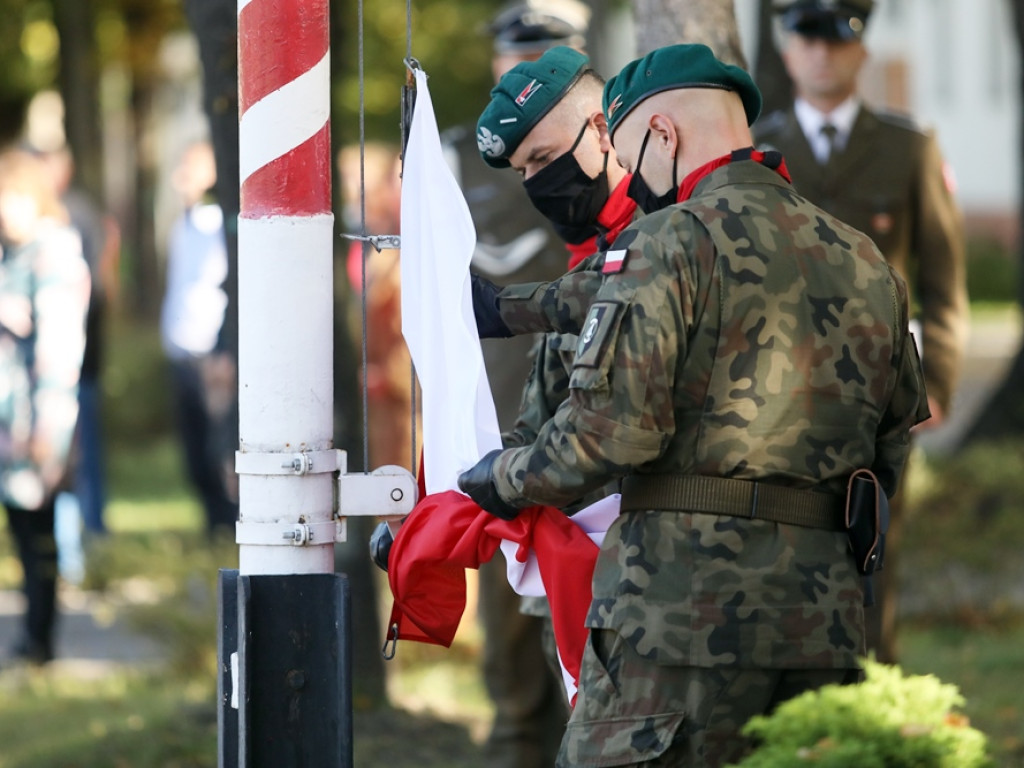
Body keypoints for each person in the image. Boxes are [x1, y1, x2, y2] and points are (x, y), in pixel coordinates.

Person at [459, 43, 929, 766]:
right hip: (824, 622)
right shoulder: (866, 259)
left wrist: (500, 477)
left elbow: (605, 438)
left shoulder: (667, 239)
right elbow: (892, 447)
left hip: (679, 625)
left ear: (663, 136)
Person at [754, 0, 968, 663]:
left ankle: (869, 714)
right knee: (776, 569)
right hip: (769, 404)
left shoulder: (908, 147)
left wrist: (936, 385)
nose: (821, 53)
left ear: (861, 51)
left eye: (836, 39)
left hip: (877, 400)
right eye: (806, 39)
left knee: (874, 563)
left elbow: (943, 276)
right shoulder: (757, 149)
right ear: (787, 51)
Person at [442, 3, 594, 765]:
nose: (528, 69)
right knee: (508, 634)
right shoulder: (452, 161)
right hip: (497, 422)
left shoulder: (613, 151)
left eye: (550, 54)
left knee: (594, 636)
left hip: (601, 422)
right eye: (517, 55)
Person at [0, 147, 91, 667]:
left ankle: (41, 641)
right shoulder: (14, 253)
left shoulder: (52, 253)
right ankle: (33, 636)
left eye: (11, 198)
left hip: (39, 421)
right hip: (12, 421)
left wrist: (49, 432)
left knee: (39, 539)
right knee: (24, 533)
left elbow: (60, 352)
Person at [159, 141, 238, 533]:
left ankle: (226, 525)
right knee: (193, 450)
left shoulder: (216, 226)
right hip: (183, 349)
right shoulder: (182, 224)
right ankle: (212, 525)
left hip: (209, 350)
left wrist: (223, 350)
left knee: (215, 446)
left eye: (189, 171)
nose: (180, 180)